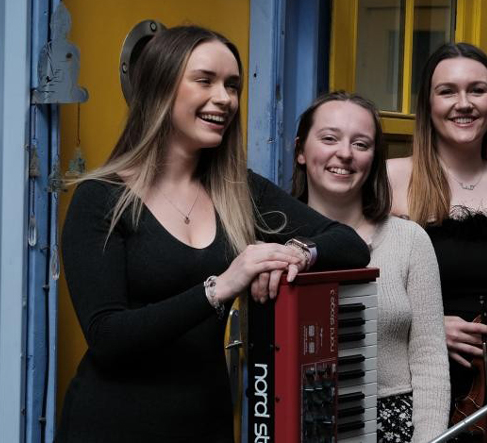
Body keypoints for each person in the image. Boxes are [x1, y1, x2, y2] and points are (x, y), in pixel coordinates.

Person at [56, 26, 370, 443]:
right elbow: (108, 337)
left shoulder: (239, 191)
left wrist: (296, 252)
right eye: (205, 81)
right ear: (162, 87)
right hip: (113, 425)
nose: (225, 98)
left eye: (232, 85)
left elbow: (349, 244)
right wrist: (219, 288)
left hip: (207, 423)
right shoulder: (102, 198)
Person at [386, 42, 487, 434]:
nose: (464, 103)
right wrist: (427, 329)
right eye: (447, 91)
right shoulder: (391, 180)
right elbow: (366, 291)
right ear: (428, 105)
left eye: (477, 90)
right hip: (419, 387)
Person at [291, 91, 450, 442]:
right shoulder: (272, 244)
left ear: (374, 158)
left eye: (360, 144)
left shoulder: (410, 240)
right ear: (301, 150)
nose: (345, 153)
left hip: (392, 428)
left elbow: (430, 358)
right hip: (297, 424)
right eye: (329, 138)